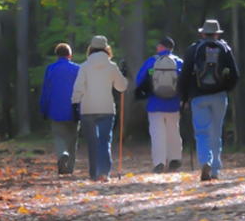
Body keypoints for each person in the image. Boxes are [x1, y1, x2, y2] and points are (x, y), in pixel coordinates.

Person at [178, 20, 239, 181]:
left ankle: (205, 161)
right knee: (216, 132)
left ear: (203, 33)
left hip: (198, 97)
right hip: (219, 96)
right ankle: (216, 170)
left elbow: (184, 76)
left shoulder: (193, 49)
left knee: (202, 132)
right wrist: (225, 88)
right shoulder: (225, 49)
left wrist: (183, 98)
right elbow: (235, 75)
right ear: (217, 34)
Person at [71, 36, 128, 181]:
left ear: (91, 48)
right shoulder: (111, 66)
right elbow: (121, 87)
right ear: (106, 48)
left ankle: (93, 173)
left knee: (92, 142)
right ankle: (103, 172)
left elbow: (78, 88)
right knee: (104, 141)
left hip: (88, 109)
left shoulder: (84, 66)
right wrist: (124, 76)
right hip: (106, 109)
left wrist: (74, 104)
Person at [135, 37, 183, 173]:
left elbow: (139, 80)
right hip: (174, 103)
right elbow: (185, 82)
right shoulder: (178, 62)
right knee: (173, 129)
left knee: (157, 132)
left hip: (154, 103)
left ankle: (159, 162)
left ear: (160, 47)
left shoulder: (152, 61)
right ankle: (175, 158)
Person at [40, 43, 80, 175]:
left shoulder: (51, 69)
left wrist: (43, 109)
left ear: (57, 56)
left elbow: (46, 90)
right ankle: (70, 168)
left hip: (55, 109)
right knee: (72, 138)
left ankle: (62, 154)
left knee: (58, 136)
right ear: (70, 55)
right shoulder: (77, 69)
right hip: (73, 109)